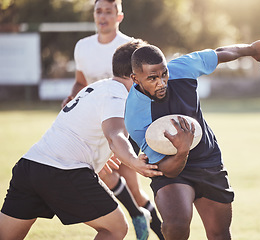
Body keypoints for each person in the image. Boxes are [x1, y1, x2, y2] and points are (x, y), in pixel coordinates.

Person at [124, 36, 260, 239]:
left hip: (207, 160)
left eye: (164, 74)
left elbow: (220, 53)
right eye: (152, 78)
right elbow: (167, 169)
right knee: (176, 226)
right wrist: (182, 150)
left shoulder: (182, 67)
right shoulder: (135, 116)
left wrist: (251, 49)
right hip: (172, 170)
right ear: (136, 79)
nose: (162, 82)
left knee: (220, 234)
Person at [0, 40, 163, 240]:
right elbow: (115, 135)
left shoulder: (99, 87)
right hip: (63, 170)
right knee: (116, 228)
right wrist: (134, 162)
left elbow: (92, 130)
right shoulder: (118, 94)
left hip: (30, 166)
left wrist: (103, 152)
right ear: (135, 74)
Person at [61, 0, 165, 239]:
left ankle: (153, 226)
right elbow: (81, 82)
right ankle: (139, 216)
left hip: (126, 121)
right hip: (96, 123)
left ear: (119, 16)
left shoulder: (131, 48)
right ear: (94, 15)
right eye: (99, 11)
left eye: (109, 11)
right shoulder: (82, 47)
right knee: (107, 176)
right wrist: (73, 97)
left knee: (131, 188)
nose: (103, 16)